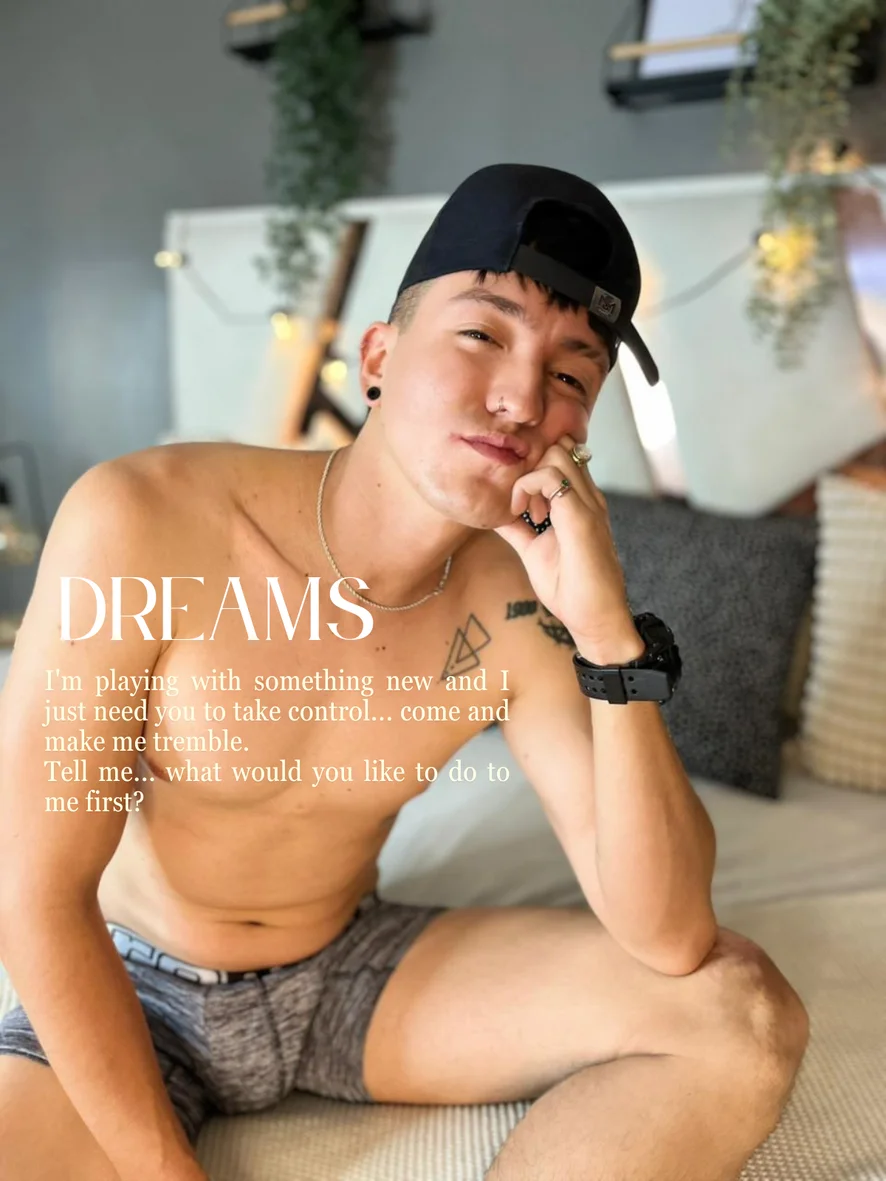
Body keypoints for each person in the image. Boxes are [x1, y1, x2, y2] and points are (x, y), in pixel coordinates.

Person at [0, 163, 808, 1181]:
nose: (520, 398)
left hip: (350, 966)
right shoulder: (141, 520)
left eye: (570, 375)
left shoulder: (518, 606)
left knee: (742, 1012)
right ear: (378, 355)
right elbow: (34, 894)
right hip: (134, 983)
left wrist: (607, 635)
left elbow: (671, 933)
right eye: (482, 334)